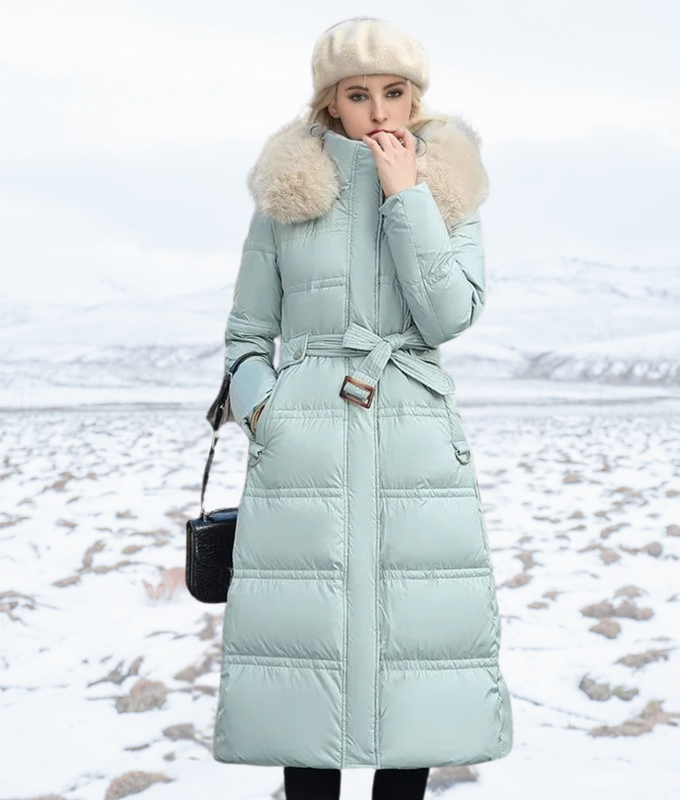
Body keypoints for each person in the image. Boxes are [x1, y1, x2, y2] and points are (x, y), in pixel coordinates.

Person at [213, 16, 514, 799]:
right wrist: (266, 416)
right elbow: (248, 335)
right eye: (358, 94)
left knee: (413, 657)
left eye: (394, 92)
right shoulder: (287, 194)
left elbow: (449, 315)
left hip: (413, 436)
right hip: (304, 442)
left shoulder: (450, 192)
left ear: (415, 100)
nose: (379, 110)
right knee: (304, 656)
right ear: (330, 103)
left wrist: (406, 196)